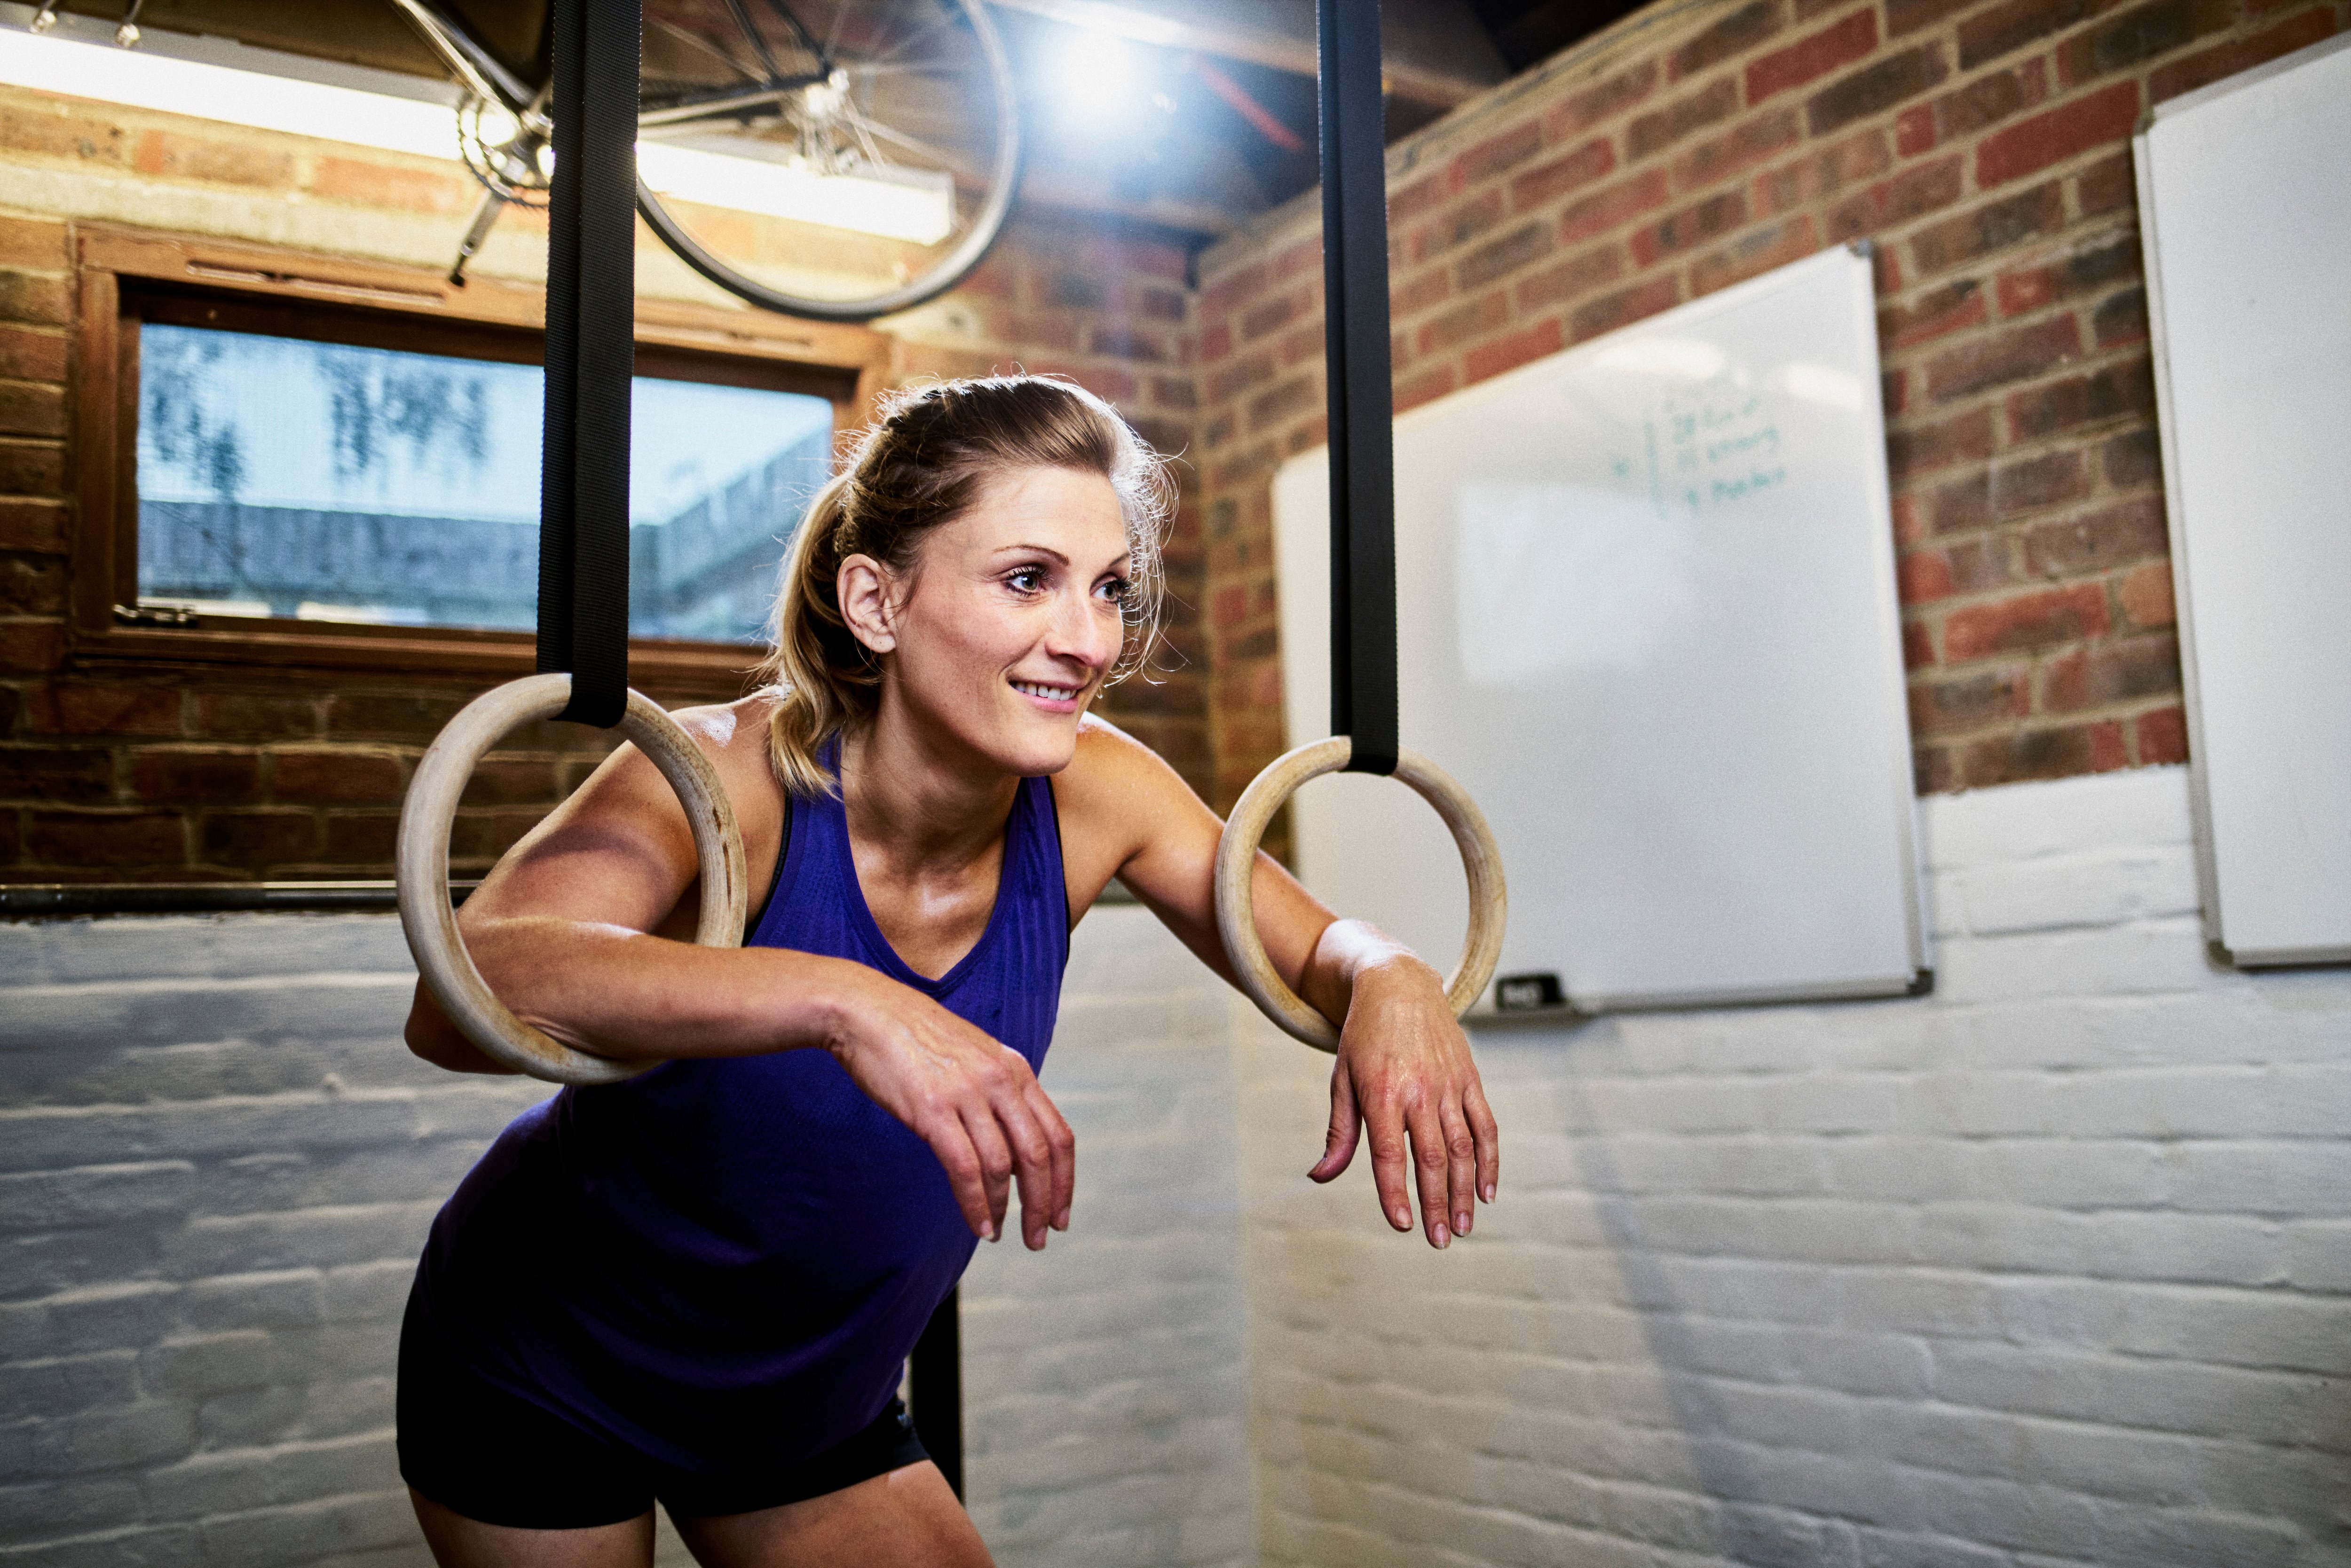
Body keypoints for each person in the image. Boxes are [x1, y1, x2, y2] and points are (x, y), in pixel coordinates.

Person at [398, 375, 1500, 1568]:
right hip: (549, 1363)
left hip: (802, 1407)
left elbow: (1321, 947)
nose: (1087, 642)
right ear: (876, 599)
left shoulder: (1098, 791)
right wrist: (843, 1002)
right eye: (1028, 579)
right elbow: (466, 992)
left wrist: (1388, 975)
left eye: (1109, 589)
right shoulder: (725, 777)